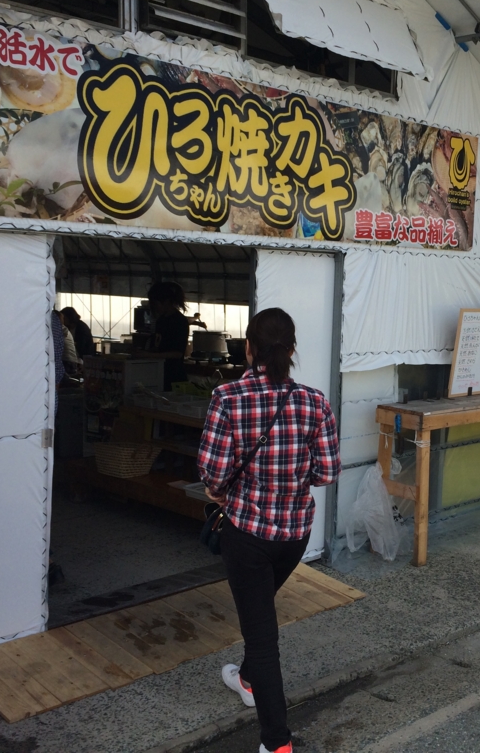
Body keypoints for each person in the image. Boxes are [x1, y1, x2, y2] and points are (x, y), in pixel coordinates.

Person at [197, 308, 340, 753]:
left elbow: (212, 472)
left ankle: (277, 743)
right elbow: (327, 473)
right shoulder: (314, 401)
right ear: (292, 350)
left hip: (247, 535)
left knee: (263, 636)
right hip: (294, 536)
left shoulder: (227, 397)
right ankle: (244, 678)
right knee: (259, 618)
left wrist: (221, 491)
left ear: (248, 348)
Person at [140, 281, 190, 390]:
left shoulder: (179, 321)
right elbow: (159, 347)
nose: (154, 307)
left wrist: (147, 355)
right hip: (160, 373)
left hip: (173, 376)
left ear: (166, 301)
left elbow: (177, 353)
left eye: (156, 303)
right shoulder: (161, 320)